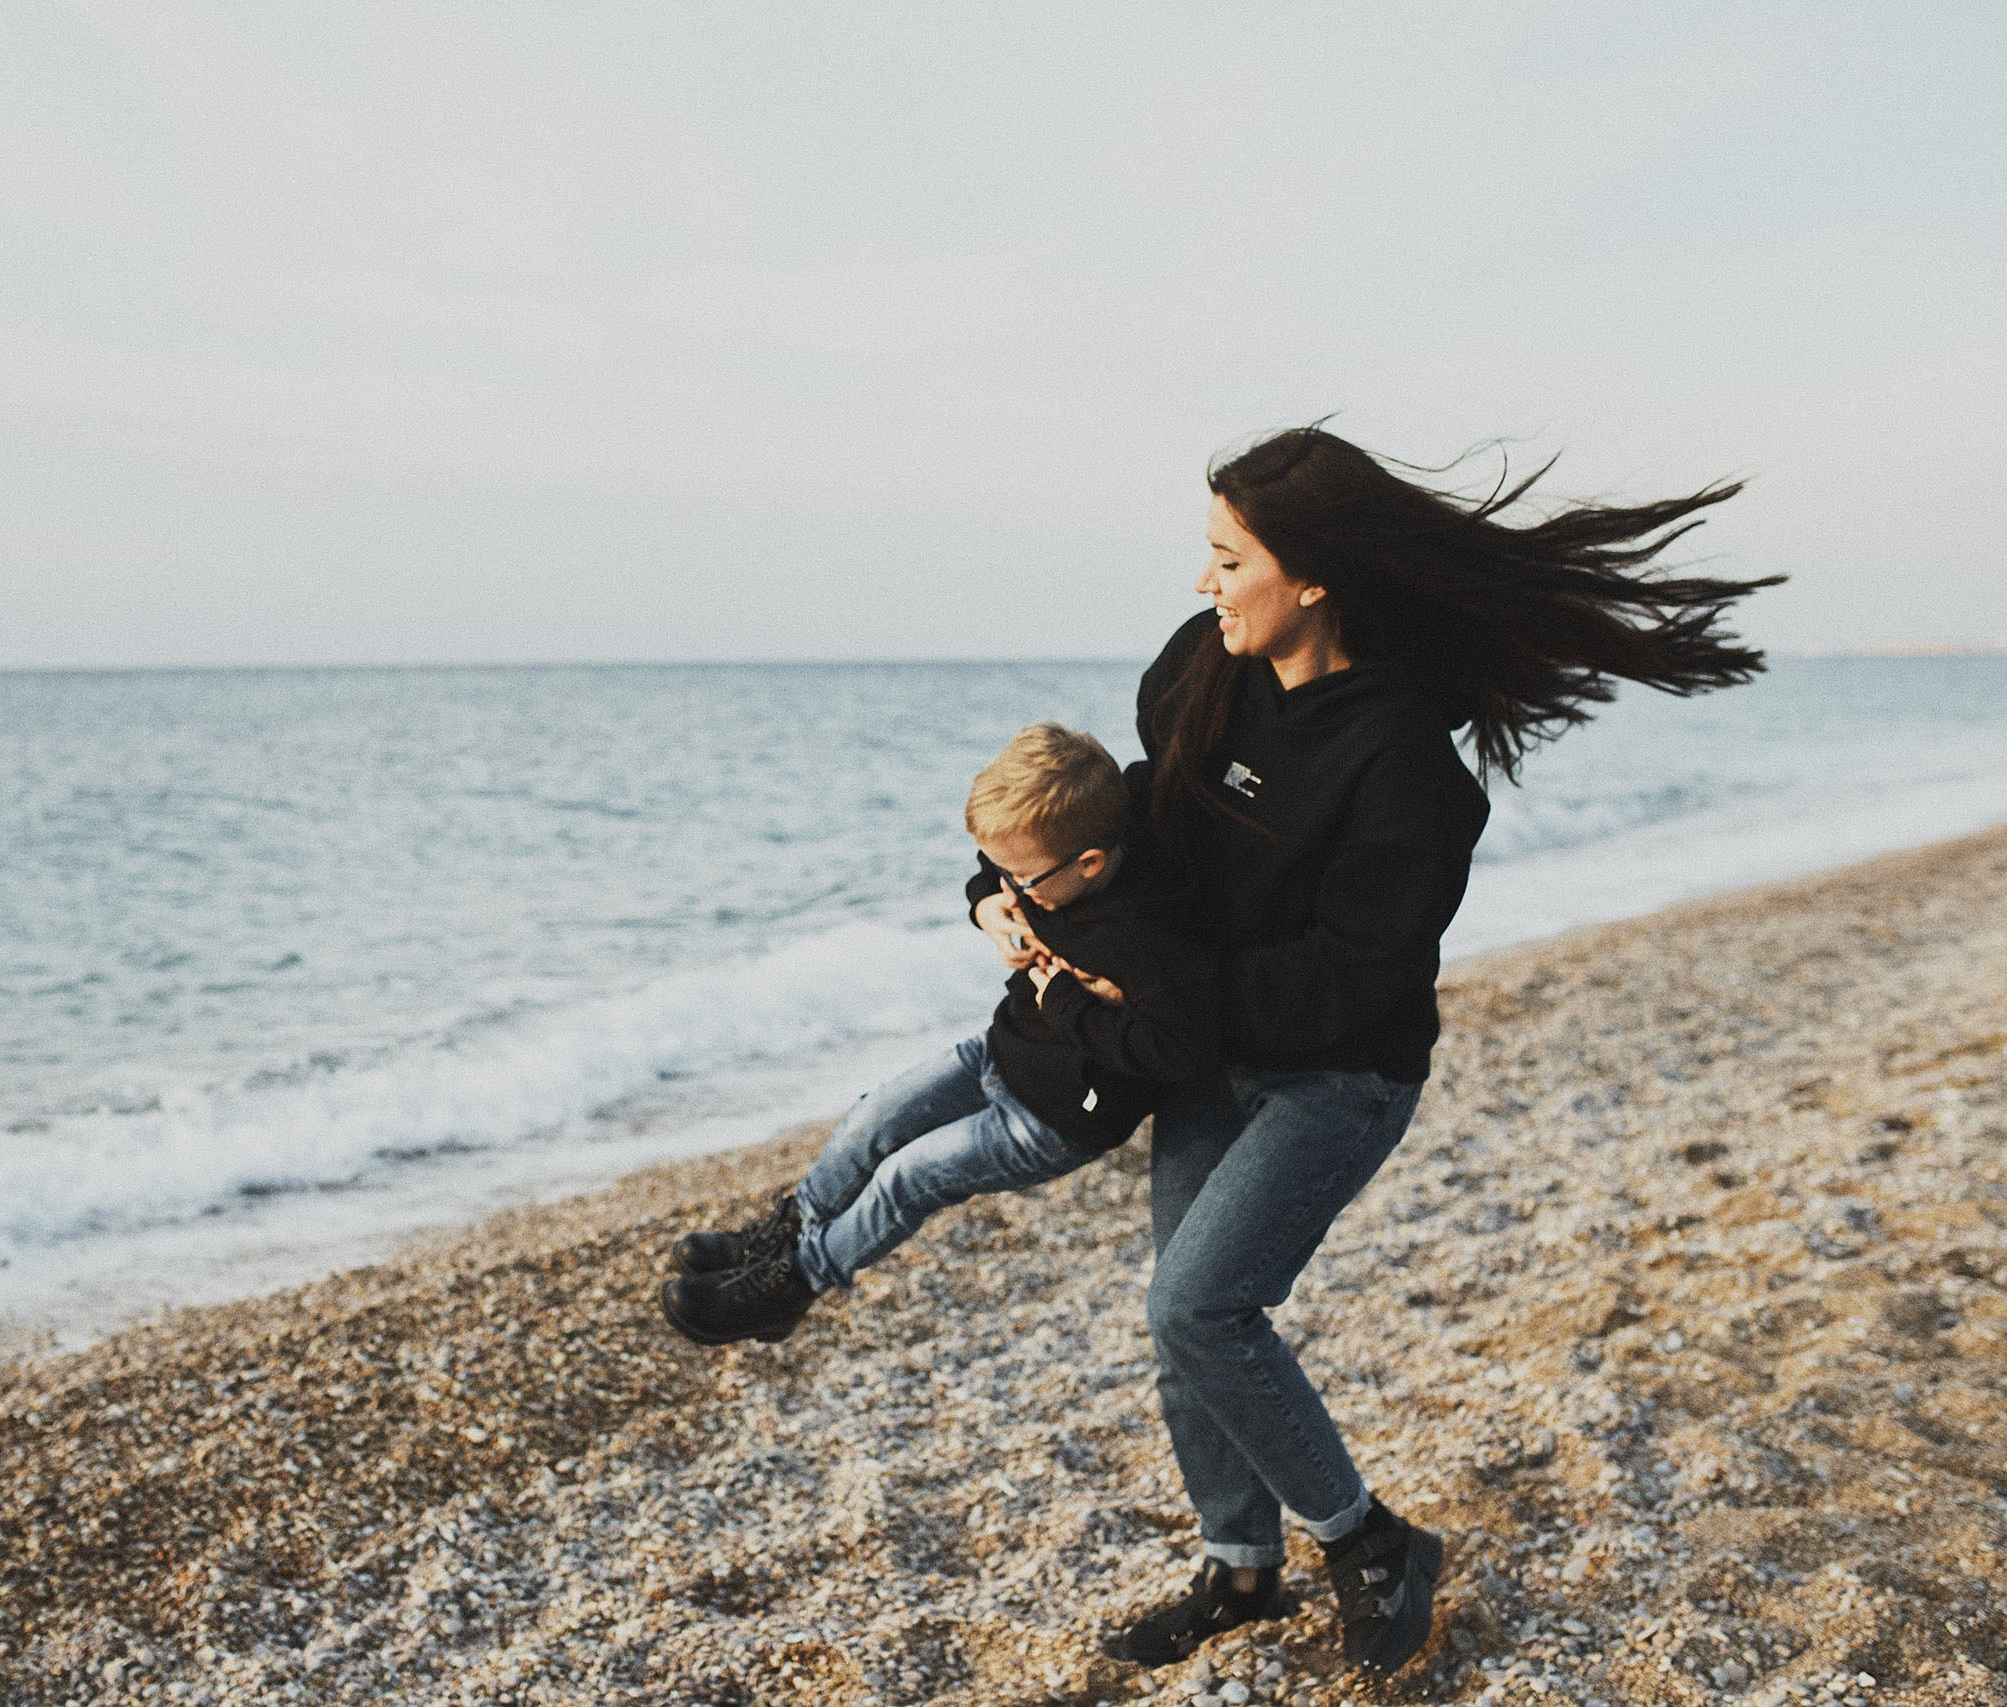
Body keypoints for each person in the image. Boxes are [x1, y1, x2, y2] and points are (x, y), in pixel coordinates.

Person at [967, 427, 1781, 1677]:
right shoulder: (1202, 670)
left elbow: (1355, 977)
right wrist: (996, 886)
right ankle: (1240, 1571)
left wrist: (1166, 997)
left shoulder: (1405, 765)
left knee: (1202, 1305)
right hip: (1205, 1048)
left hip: (1336, 1074)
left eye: (1227, 559)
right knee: (1179, 1320)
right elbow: (1120, 817)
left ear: (1312, 579)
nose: (1202, 584)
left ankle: (1366, 1539)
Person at [660, 722, 1222, 1346]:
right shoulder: (1048, 860)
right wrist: (987, 902)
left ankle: (792, 1283)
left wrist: (1061, 996)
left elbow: (1173, 1049)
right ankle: (785, 1235)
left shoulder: (1146, 938)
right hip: (999, 1052)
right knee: (872, 1121)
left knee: (908, 1177)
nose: (1011, 885)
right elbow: (998, 858)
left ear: (1088, 863)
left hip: (1056, 1119)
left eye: (1020, 879)